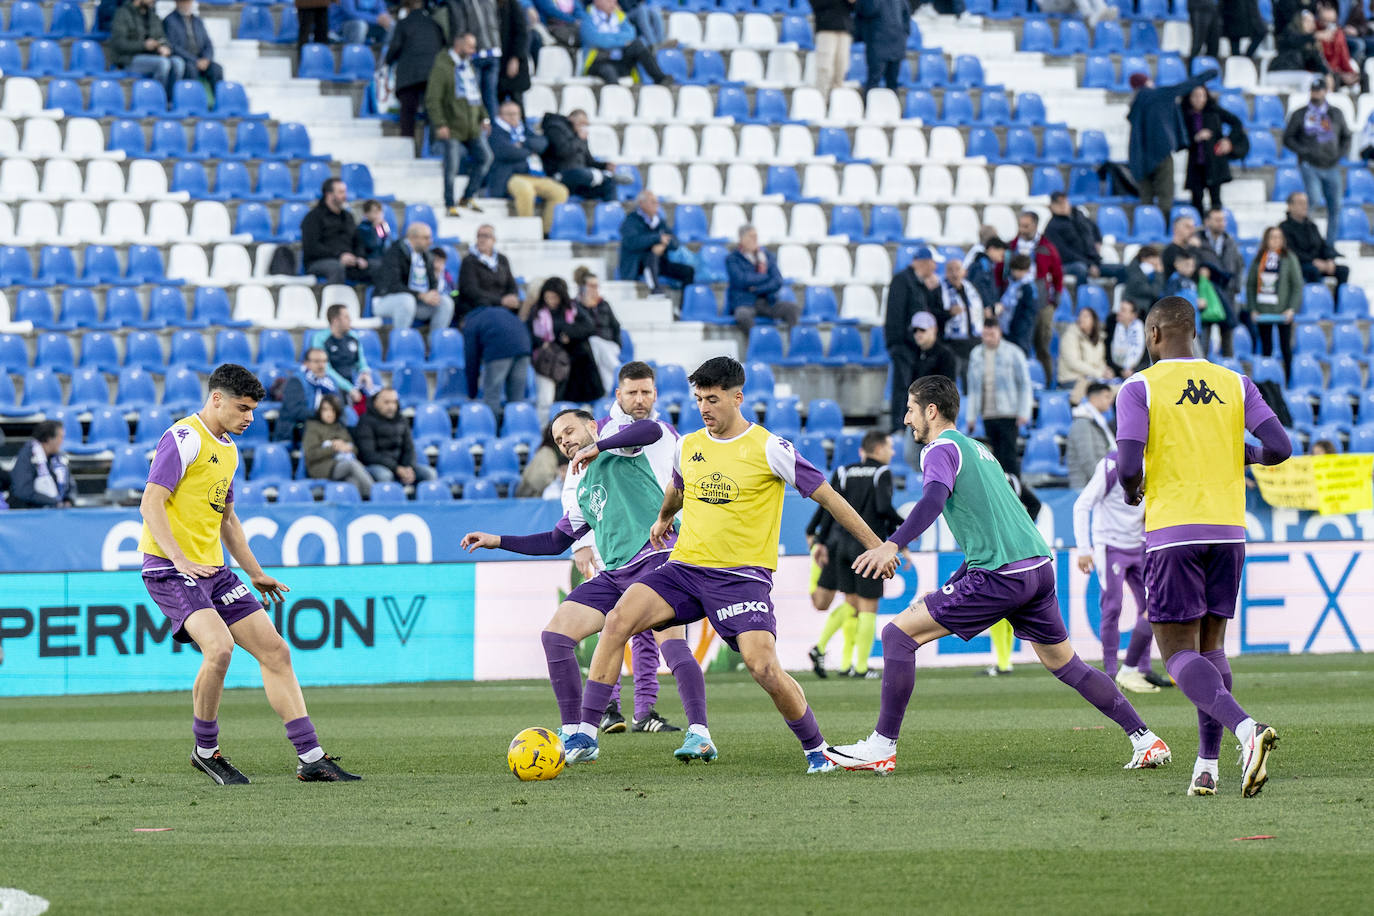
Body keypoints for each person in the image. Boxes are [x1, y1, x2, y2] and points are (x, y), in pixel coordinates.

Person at [561, 357, 899, 773]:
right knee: (617, 621)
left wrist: (879, 545)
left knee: (764, 668)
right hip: (685, 568)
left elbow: (829, 497)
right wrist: (665, 517)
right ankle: (586, 734)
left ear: (737, 397)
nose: (705, 408)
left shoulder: (770, 448)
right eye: (699, 399)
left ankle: (818, 750)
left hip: (741, 577)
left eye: (714, 399)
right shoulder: (689, 444)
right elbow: (678, 487)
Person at [824, 375, 1171, 775]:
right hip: (1037, 568)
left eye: (910, 409)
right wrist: (956, 577)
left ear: (931, 411)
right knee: (1068, 664)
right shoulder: (979, 449)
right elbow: (996, 526)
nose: (906, 419)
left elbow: (933, 500)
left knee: (897, 636)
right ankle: (1145, 738)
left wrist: (891, 543)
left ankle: (881, 747)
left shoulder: (938, 449)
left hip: (1002, 575)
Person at [138, 364, 359, 784]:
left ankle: (311, 758)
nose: (250, 418)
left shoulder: (229, 449)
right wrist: (179, 559)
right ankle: (206, 751)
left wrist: (255, 572)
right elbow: (151, 504)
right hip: (170, 569)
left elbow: (229, 520)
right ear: (217, 398)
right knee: (219, 649)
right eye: (243, 408)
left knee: (276, 651)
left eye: (254, 410)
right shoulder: (183, 438)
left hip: (214, 570)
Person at [1116, 295, 1291, 797]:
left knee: (1175, 655)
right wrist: (1240, 452)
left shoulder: (1140, 386)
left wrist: (1133, 492)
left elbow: (1128, 464)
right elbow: (1279, 448)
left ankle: (1246, 730)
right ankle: (1207, 766)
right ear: (1194, 333)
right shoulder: (1236, 383)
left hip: (1174, 532)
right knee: (1211, 650)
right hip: (1229, 530)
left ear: (1153, 335)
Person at [462, 405, 710, 746]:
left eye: (569, 432)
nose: (564, 441)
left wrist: (600, 445)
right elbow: (555, 541)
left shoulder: (619, 445)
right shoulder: (580, 486)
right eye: (558, 439)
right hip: (615, 574)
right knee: (555, 636)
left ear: (592, 426)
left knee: (671, 644)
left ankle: (699, 733)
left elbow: (651, 430)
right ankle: (572, 732)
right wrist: (498, 541)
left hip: (658, 559)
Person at [563, 362, 682, 731]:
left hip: (660, 542)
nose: (640, 399)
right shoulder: (601, 432)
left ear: (655, 393)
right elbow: (575, 489)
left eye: (646, 392)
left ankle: (644, 711)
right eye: (632, 392)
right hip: (613, 542)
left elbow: (677, 483)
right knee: (614, 626)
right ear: (618, 394)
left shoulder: (666, 433)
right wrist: (581, 543)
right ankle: (609, 708)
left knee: (647, 630)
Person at [806, 431, 904, 680]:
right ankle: (860, 666)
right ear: (879, 449)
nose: (892, 453)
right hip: (866, 548)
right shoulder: (882, 473)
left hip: (840, 546)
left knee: (851, 605)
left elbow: (829, 507)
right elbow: (882, 508)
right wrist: (906, 524)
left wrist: (818, 538)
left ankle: (840, 660)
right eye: (890, 447)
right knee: (868, 608)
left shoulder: (843, 471)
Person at [1072, 449, 1168, 693]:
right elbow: (1083, 504)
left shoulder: (1158, 459)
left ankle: (1141, 669)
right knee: (1113, 606)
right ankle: (1111, 672)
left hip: (1139, 544)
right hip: (1110, 544)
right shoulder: (1112, 464)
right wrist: (1084, 548)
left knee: (1150, 607)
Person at [1126, 66, 1219, 217]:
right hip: (1161, 153)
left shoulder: (1135, 103)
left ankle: (1147, 228)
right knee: (1165, 197)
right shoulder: (1159, 94)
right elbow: (1185, 86)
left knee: (1146, 201)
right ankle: (1164, 230)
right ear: (1147, 82)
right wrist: (1209, 74)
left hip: (1139, 157)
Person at [426, 32, 493, 215]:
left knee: (486, 158)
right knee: (451, 167)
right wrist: (440, 123)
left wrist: (484, 117)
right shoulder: (442, 66)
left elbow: (475, 95)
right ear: (459, 44)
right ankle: (449, 203)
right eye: (470, 46)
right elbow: (433, 98)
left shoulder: (467, 66)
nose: (473, 50)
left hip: (472, 125)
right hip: (452, 126)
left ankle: (467, 196)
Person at [1283, 81, 1352, 244]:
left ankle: (1329, 245)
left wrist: (1339, 154)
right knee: (1311, 202)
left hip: (1332, 165)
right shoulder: (1300, 114)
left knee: (1335, 206)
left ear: (1325, 91)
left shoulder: (1336, 113)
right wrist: (1304, 151)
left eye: (1319, 90)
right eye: (1313, 90)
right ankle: (1308, 242)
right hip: (1310, 164)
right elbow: (1288, 138)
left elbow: (1346, 136)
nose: (1316, 93)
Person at [998, 212, 1063, 383]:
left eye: (1026, 226)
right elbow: (1001, 272)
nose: (1022, 229)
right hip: (1016, 305)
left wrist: (1055, 299)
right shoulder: (1011, 247)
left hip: (1042, 303)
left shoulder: (1047, 248)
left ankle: (1048, 384)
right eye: (1020, 225)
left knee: (1042, 346)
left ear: (1035, 225)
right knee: (1016, 344)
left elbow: (1057, 275)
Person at [884, 246, 945, 431]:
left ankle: (912, 427)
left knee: (914, 390)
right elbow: (897, 315)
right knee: (903, 388)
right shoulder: (903, 281)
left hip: (914, 345)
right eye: (933, 264)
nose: (934, 269)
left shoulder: (919, 284)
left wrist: (934, 291)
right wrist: (901, 341)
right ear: (924, 262)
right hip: (904, 345)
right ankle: (898, 428)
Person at [487, 100, 568, 235]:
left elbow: (542, 143)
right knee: (525, 190)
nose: (514, 117)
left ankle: (546, 232)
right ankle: (528, 230)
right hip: (510, 176)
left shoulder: (523, 129)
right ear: (500, 115)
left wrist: (523, 143)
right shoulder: (495, 131)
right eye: (509, 114)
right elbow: (506, 152)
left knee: (560, 192)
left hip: (534, 175)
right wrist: (530, 151)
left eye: (516, 114)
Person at [966, 318, 1032, 476]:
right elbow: (973, 387)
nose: (988, 338)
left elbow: (1024, 383)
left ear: (999, 332)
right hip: (987, 413)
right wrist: (971, 416)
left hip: (1008, 412)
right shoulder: (976, 354)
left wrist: (1024, 411)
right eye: (985, 334)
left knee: (1009, 456)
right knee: (993, 457)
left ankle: (1015, 492)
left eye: (992, 334)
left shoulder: (1013, 352)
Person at [526, 277, 604, 404]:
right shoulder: (537, 311)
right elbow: (530, 333)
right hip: (550, 361)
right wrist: (541, 343)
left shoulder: (572, 308)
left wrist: (569, 333)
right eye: (548, 297)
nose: (551, 301)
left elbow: (589, 326)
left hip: (576, 361)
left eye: (554, 297)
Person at [372, 223, 456, 331]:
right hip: (385, 301)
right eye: (426, 238)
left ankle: (435, 342)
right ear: (413, 237)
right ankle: (401, 340)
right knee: (407, 300)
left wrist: (432, 293)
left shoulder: (426, 255)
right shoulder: (394, 252)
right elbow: (393, 285)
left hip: (416, 302)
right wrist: (420, 295)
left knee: (445, 302)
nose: (430, 241)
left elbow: (432, 282)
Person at [1247, 225, 1303, 381]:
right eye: (1272, 237)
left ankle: (1287, 380)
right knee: (1266, 348)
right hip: (1263, 312)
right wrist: (1252, 309)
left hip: (1283, 311)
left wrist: (1292, 308)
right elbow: (1250, 285)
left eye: (1279, 237)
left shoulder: (1289, 258)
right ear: (1266, 240)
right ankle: (1267, 381)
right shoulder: (1259, 259)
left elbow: (1297, 285)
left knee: (1286, 348)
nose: (1276, 240)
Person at [463, 289, 532, 416]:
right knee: (516, 400)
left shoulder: (470, 322)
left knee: (492, 396)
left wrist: (471, 393)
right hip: (524, 347)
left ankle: (491, 432)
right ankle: (514, 431)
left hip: (500, 351)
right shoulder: (498, 313)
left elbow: (471, 359)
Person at [1181, 85, 1248, 215]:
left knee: (1216, 200)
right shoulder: (1185, 115)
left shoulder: (1214, 111)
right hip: (1196, 163)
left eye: (1201, 96)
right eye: (1195, 96)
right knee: (1196, 200)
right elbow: (1180, 138)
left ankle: (1216, 225)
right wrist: (1195, 137)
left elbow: (1237, 123)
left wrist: (1228, 140)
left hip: (1214, 162)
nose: (1198, 99)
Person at [386, 0, 446, 138]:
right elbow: (443, 46)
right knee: (433, 111)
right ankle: (434, 146)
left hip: (409, 75)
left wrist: (388, 60)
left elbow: (395, 47)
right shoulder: (434, 24)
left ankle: (406, 145)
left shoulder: (403, 24)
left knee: (407, 112)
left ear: (406, 8)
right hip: (432, 74)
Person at [354, 388, 439, 485]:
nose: (391, 406)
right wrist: (396, 468)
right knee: (384, 475)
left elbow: (409, 448)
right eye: (386, 402)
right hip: (376, 466)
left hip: (401, 466)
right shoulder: (365, 421)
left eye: (394, 402)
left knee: (430, 474)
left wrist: (408, 467)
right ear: (375, 403)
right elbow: (368, 455)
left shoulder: (402, 420)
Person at [435, 0, 504, 119]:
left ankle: (476, 131)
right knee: (490, 96)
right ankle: (491, 132)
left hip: (473, 53)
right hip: (493, 51)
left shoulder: (462, 2)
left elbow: (459, 26)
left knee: (473, 96)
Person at [578, 0, 674, 84]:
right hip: (598, 62)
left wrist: (609, 38)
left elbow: (631, 34)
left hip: (619, 60)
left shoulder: (618, 15)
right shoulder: (587, 18)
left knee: (637, 44)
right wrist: (622, 41)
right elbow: (596, 40)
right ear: (597, 1)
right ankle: (616, 100)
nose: (613, 3)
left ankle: (660, 78)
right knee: (609, 71)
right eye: (608, 0)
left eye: (614, 0)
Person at [617, 190, 695, 291]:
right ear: (642, 204)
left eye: (657, 202)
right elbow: (632, 242)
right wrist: (657, 239)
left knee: (688, 271)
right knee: (651, 255)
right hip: (637, 265)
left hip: (660, 263)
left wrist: (663, 245)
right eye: (653, 202)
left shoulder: (659, 222)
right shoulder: (631, 221)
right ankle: (655, 290)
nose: (657, 205)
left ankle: (684, 305)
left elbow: (675, 242)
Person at [540, 109, 624, 202]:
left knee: (609, 183)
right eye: (581, 122)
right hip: (560, 176)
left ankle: (612, 211)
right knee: (582, 174)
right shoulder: (555, 128)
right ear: (570, 118)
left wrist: (605, 166)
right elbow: (562, 152)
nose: (583, 125)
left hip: (581, 180)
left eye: (586, 123)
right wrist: (578, 138)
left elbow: (589, 161)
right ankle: (604, 177)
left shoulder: (580, 136)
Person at [108, 0, 184, 99]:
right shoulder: (122, 13)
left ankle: (170, 100)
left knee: (178, 62)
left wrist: (165, 47)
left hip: (153, 56)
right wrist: (144, 45)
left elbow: (162, 38)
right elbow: (119, 44)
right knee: (163, 63)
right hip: (129, 59)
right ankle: (156, 99)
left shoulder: (153, 15)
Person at [301, 179, 372, 285]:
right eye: (341, 192)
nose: (345, 196)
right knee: (336, 268)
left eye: (345, 192)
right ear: (329, 195)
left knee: (377, 267)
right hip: (319, 261)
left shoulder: (348, 217)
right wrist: (339, 256)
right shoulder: (313, 217)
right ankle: (334, 301)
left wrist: (360, 257)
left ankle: (377, 300)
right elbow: (312, 247)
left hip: (349, 260)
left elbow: (358, 241)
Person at [726, 224, 795, 333]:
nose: (755, 239)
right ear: (741, 239)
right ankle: (758, 342)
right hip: (745, 302)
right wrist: (766, 277)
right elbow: (742, 280)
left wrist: (757, 289)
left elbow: (777, 281)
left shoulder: (767, 256)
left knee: (791, 308)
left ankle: (794, 344)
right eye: (751, 236)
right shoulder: (733, 259)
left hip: (767, 301)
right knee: (742, 315)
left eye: (756, 236)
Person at [1045, 193, 1125, 286]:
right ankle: (1082, 298)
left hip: (1092, 261)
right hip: (1068, 264)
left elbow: (1094, 227)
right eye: (1058, 203)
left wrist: (1098, 241)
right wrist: (1089, 265)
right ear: (1052, 207)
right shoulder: (1051, 228)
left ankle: (1121, 298)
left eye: (1064, 202)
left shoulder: (1079, 216)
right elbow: (1064, 253)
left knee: (1123, 269)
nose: (1062, 206)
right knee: (1081, 269)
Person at [302, 395, 374, 498]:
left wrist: (348, 448)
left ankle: (358, 508)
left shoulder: (340, 427)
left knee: (353, 482)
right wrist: (334, 448)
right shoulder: (313, 428)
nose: (329, 414)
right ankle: (375, 495)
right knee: (351, 465)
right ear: (320, 411)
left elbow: (355, 450)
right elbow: (311, 454)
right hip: (321, 468)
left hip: (341, 466)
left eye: (332, 410)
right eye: (325, 410)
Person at [1196, 207, 1247, 345]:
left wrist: (1235, 288)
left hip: (1227, 294)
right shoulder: (1198, 241)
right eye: (1217, 220)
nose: (1221, 223)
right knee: (1203, 341)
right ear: (1207, 222)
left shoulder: (1230, 242)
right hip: (1207, 294)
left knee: (1228, 341)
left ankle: (1228, 365)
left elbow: (1239, 266)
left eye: (1223, 220)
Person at [1281, 190, 1349, 289]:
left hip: (1318, 263)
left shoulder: (1312, 226)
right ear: (1290, 206)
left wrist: (1329, 260)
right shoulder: (1284, 228)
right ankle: (1315, 300)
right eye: (1300, 203)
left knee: (1343, 270)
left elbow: (1323, 246)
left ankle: (1336, 302)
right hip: (1299, 265)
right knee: (1312, 270)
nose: (1305, 206)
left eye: (1306, 203)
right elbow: (1291, 252)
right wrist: (1313, 261)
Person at [276, 348, 343, 443]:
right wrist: (322, 415)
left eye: (324, 361)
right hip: (300, 427)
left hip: (327, 424)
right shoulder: (296, 381)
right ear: (306, 363)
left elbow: (340, 407)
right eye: (316, 361)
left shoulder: (331, 382)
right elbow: (296, 411)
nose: (321, 365)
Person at [457, 223, 520, 324]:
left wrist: (512, 296)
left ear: (494, 239)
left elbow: (512, 284)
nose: (481, 239)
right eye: (479, 236)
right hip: (479, 305)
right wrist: (500, 301)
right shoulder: (469, 261)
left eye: (486, 236)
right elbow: (471, 291)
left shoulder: (502, 259)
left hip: (502, 304)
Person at [576, 268, 623, 395]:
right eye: (591, 286)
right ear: (583, 287)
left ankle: (611, 379)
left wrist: (618, 344)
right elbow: (585, 329)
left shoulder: (604, 304)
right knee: (594, 342)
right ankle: (615, 376)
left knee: (597, 346)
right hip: (590, 349)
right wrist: (587, 308)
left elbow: (616, 326)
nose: (595, 289)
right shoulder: (577, 305)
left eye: (596, 286)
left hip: (609, 345)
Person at [8, 420, 72, 509]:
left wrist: (68, 500)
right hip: (28, 513)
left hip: (54, 511)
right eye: (60, 437)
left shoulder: (59, 459)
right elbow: (23, 490)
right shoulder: (27, 456)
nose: (62, 441)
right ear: (49, 439)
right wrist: (54, 502)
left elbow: (70, 486)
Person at [163, 0, 223, 94]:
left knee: (216, 69)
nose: (187, 5)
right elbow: (173, 46)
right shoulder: (169, 20)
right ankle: (194, 102)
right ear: (177, 3)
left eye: (189, 3)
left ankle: (219, 102)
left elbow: (208, 43)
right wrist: (195, 60)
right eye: (184, 2)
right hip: (185, 59)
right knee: (191, 69)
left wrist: (206, 59)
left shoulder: (198, 21)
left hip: (202, 60)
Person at [1066, 382, 1115, 488]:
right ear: (1094, 397)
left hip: (1096, 481)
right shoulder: (1082, 422)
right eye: (1106, 397)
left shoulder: (1097, 420)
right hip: (1085, 485)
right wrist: (1102, 483)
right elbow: (1087, 458)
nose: (1110, 401)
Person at [856, 0, 910, 97]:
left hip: (896, 44)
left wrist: (903, 35)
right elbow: (867, 11)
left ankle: (893, 110)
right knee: (874, 80)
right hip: (877, 44)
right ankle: (869, 108)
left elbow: (906, 18)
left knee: (892, 83)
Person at [937, 258, 985, 363]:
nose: (954, 273)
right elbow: (934, 316)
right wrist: (949, 313)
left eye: (957, 269)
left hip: (975, 341)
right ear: (945, 273)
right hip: (953, 344)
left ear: (964, 271)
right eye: (950, 270)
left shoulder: (971, 288)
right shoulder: (939, 290)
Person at [1057, 307, 1110, 397]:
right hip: (1071, 379)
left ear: (1094, 321)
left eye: (1086, 316)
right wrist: (1099, 373)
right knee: (1101, 393)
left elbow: (1100, 361)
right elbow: (1073, 363)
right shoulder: (1070, 336)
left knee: (1114, 389)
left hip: (1091, 378)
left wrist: (1105, 371)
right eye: (1080, 316)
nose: (1081, 318)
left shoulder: (1099, 338)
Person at [998, 253, 1039, 360]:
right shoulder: (1011, 284)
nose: (1015, 273)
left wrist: (1020, 329)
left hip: (1021, 333)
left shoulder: (1028, 287)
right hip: (1007, 329)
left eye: (1018, 270)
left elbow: (1030, 312)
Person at [813, 0, 856, 94]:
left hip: (844, 29)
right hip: (826, 28)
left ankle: (836, 101)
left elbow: (854, 8)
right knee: (825, 68)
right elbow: (816, 4)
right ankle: (821, 101)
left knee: (841, 68)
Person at [909, 311, 958, 390]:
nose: (918, 334)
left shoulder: (945, 355)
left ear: (934, 329)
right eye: (915, 330)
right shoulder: (913, 353)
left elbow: (948, 391)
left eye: (922, 329)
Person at [497, 0, 531, 114]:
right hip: (497, 63)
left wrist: (515, 58)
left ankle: (521, 129)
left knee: (517, 102)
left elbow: (522, 33)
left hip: (512, 60)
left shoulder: (512, 4)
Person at [1316, 4, 1362, 88]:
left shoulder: (1338, 33)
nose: (1329, 25)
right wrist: (1341, 74)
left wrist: (1350, 72)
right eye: (1325, 21)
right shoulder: (1316, 34)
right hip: (1325, 72)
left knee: (1362, 77)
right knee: (1335, 78)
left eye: (1331, 22)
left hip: (1339, 71)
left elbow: (1344, 57)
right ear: (1319, 20)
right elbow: (1321, 61)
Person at [1106, 299, 1148, 379]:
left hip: (1137, 374)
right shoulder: (1112, 327)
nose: (1119, 313)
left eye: (1123, 310)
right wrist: (1121, 371)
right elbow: (1108, 356)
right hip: (1116, 374)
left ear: (1133, 315)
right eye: (1119, 309)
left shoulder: (1143, 331)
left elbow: (1145, 360)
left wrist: (1134, 371)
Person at [1122, 245, 1164, 314]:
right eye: (1154, 259)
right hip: (1137, 310)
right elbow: (1155, 292)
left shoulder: (1144, 272)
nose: (1156, 262)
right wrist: (1158, 273)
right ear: (1144, 259)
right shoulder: (1134, 274)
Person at [966, 236, 1005, 310]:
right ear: (992, 249)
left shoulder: (987, 264)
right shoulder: (983, 264)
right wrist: (987, 305)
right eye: (1001, 254)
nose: (1002, 258)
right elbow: (980, 284)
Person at [354, 199, 391, 267]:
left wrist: (385, 228)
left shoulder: (380, 227)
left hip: (381, 258)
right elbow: (373, 245)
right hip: (368, 260)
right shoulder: (362, 228)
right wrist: (374, 228)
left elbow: (386, 244)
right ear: (366, 214)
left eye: (380, 212)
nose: (378, 215)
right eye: (375, 212)